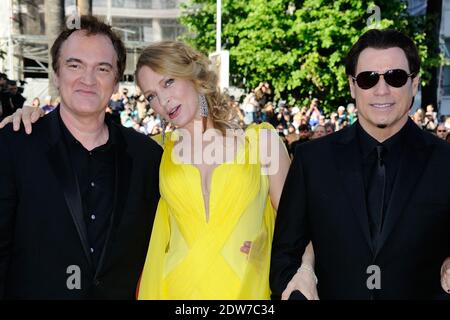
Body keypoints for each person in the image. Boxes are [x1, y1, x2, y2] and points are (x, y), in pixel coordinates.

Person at [270, 29, 450, 299]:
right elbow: (285, 257)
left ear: (414, 84)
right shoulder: (312, 161)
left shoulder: (445, 161)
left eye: (396, 77)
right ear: (353, 86)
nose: (382, 90)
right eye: (368, 79)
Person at [133, 41, 316, 299]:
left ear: (194, 75)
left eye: (168, 82)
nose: (162, 100)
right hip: (175, 289)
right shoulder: (155, 153)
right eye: (151, 95)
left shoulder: (261, 142)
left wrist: (305, 272)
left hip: (248, 288)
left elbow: (299, 226)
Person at [0, 15, 162, 299]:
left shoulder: (147, 157)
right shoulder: (15, 145)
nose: (88, 79)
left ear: (115, 81)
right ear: (56, 74)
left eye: (102, 68)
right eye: (75, 65)